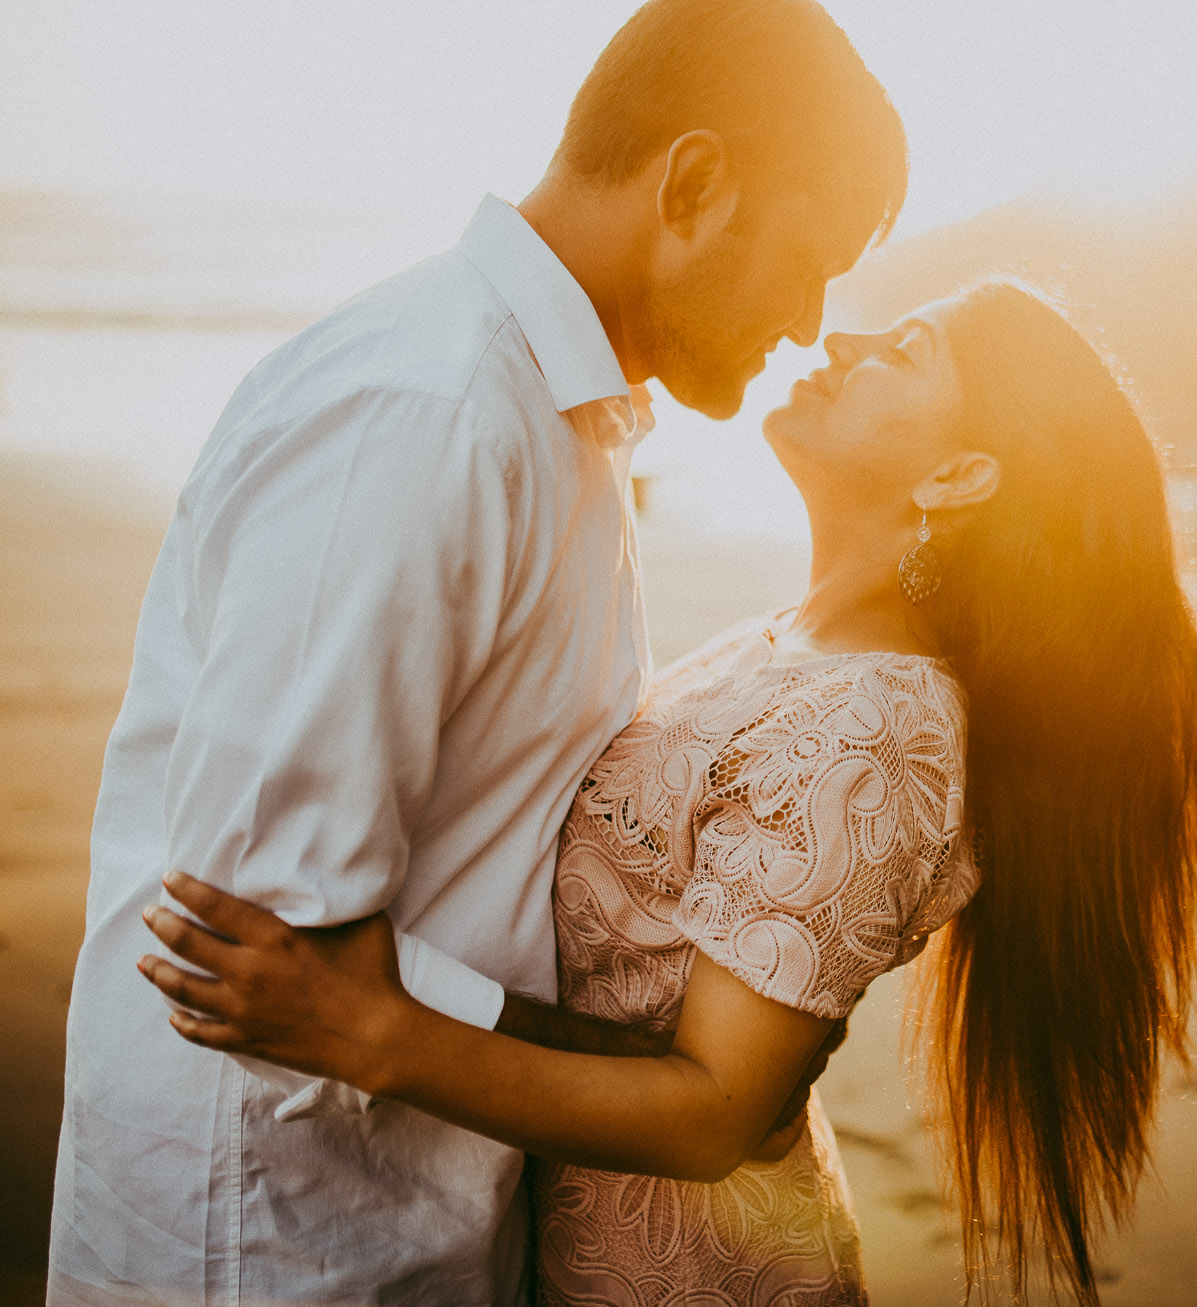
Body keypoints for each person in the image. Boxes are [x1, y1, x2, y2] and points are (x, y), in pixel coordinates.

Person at [138, 281, 1197, 1305]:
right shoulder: (796, 643)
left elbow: (712, 1110)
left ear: (957, 475)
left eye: (903, 351)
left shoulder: (877, 725)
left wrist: (375, 1031)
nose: (840, 334)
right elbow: (632, 1000)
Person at [51, 1, 906, 1302]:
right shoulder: (432, 413)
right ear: (694, 182)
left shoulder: (569, 427)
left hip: (414, 1209)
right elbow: (271, 956)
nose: (808, 320)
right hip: (277, 1242)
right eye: (812, 260)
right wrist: (674, 1077)